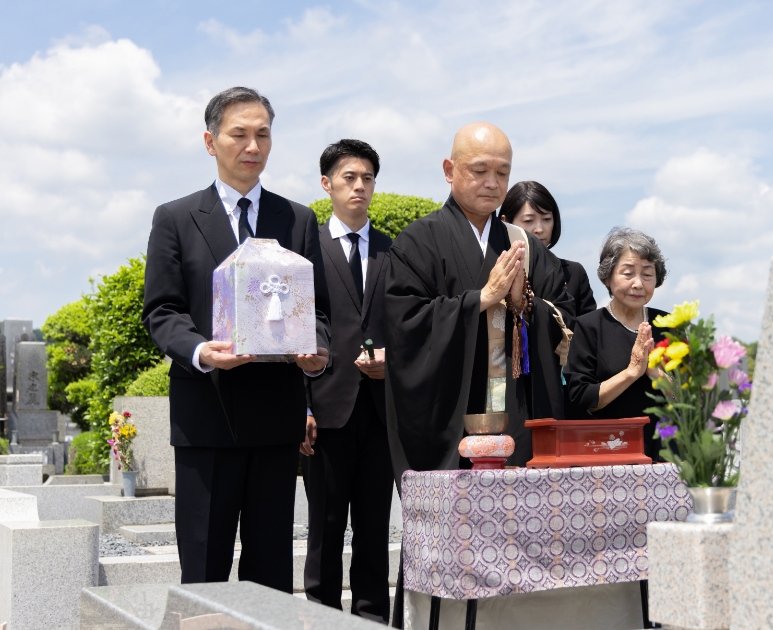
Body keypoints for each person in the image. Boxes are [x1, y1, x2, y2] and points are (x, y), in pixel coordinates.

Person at [142, 87, 331, 593]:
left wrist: (316, 355)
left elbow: (318, 312)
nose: (253, 146)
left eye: (263, 134)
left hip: (275, 420)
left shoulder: (297, 219)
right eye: (239, 134)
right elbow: (162, 310)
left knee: (271, 575)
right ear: (210, 141)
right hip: (207, 420)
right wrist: (201, 351)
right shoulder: (176, 219)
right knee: (204, 571)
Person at [384, 122, 574, 474]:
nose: (493, 182)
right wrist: (482, 299)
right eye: (480, 170)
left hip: (516, 403)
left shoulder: (524, 245)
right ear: (449, 170)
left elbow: (566, 316)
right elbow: (404, 326)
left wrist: (524, 304)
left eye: (503, 172)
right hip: (453, 406)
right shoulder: (417, 241)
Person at [299, 139, 394, 623]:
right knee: (325, 527)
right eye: (349, 178)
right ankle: (320, 616)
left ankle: (374, 617)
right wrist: (304, 408)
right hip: (326, 409)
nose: (359, 186)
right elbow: (295, 331)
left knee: (375, 526)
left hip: (380, 410)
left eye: (367, 178)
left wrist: (391, 360)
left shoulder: (393, 251)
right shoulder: (306, 249)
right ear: (327, 184)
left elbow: (407, 324)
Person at [564, 227, 668, 460]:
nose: (638, 283)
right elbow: (582, 399)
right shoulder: (589, 327)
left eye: (648, 274)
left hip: (667, 450)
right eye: (628, 273)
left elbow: (689, 396)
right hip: (610, 450)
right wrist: (632, 372)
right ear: (608, 277)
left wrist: (654, 371)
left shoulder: (669, 324)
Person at [500, 181, 597, 317]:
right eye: (528, 221)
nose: (539, 229)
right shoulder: (495, 269)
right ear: (506, 222)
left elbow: (587, 330)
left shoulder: (573, 273)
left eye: (546, 219)